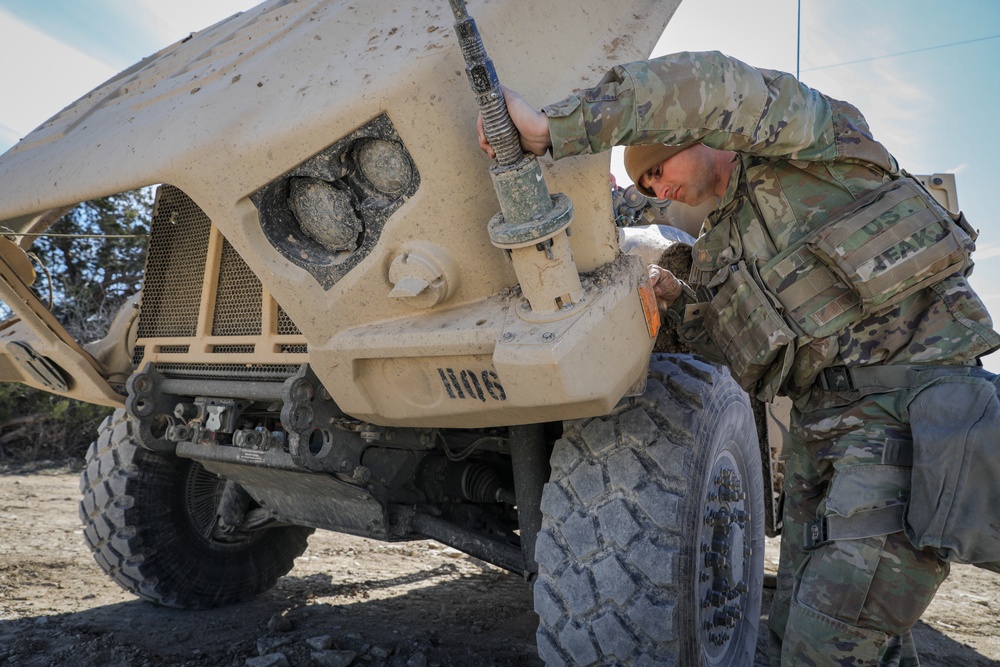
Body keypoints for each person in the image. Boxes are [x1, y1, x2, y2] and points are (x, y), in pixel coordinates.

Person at [477, 51, 1000, 666]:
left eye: (658, 169)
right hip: (824, 426)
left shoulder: (813, 143)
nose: (658, 188)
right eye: (647, 187)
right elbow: (728, 348)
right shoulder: (722, 245)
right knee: (802, 631)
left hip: (908, 408)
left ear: (690, 137)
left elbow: (717, 85)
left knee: (827, 640)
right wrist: (678, 303)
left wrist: (556, 129)